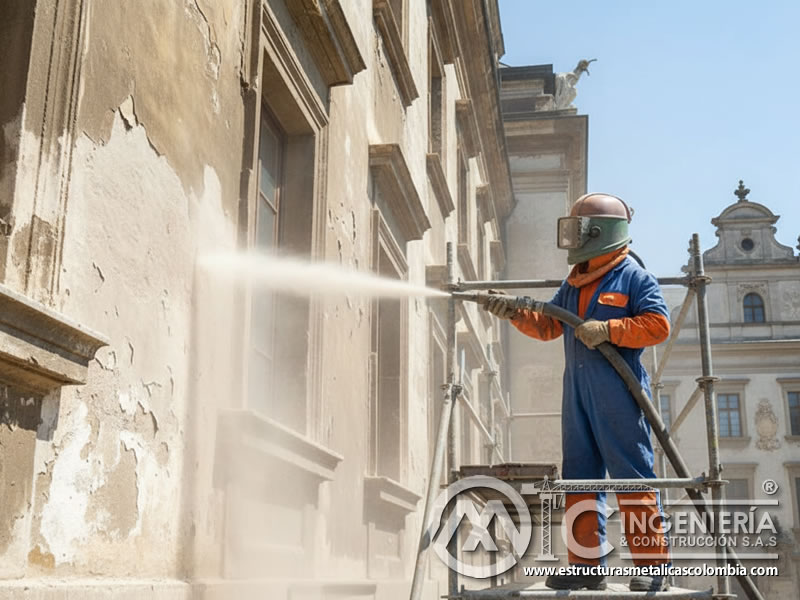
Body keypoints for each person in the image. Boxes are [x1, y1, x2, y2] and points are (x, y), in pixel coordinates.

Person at [484, 193, 671, 592]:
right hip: (578, 395)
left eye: (579, 229)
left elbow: (658, 325)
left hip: (620, 392)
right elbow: (550, 324)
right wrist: (516, 312)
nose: (573, 238)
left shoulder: (633, 277)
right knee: (579, 480)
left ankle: (652, 565)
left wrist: (609, 330)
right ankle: (586, 565)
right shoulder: (575, 282)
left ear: (600, 233)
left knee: (631, 479)